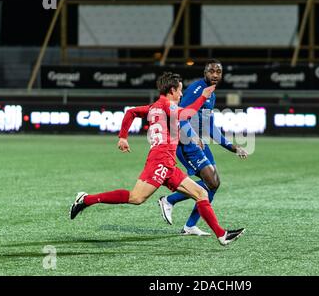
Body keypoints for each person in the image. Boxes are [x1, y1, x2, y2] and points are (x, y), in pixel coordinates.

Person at [69, 71, 245, 246]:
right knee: (136, 198)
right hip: (160, 160)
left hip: (168, 163)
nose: (182, 94)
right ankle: (85, 199)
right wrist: (203, 97)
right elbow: (187, 114)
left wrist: (123, 137)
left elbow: (131, 112)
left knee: (201, 193)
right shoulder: (168, 106)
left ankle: (222, 235)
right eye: (180, 91)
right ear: (171, 91)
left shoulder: (154, 107)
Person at [158, 59, 248, 236]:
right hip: (186, 142)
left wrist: (232, 147)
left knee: (214, 184)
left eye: (218, 72)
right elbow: (179, 116)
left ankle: (190, 226)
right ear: (204, 73)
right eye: (211, 71)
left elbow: (209, 126)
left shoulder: (210, 94)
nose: (215, 75)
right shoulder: (197, 89)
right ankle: (169, 200)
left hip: (199, 142)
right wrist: (191, 136)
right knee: (211, 182)